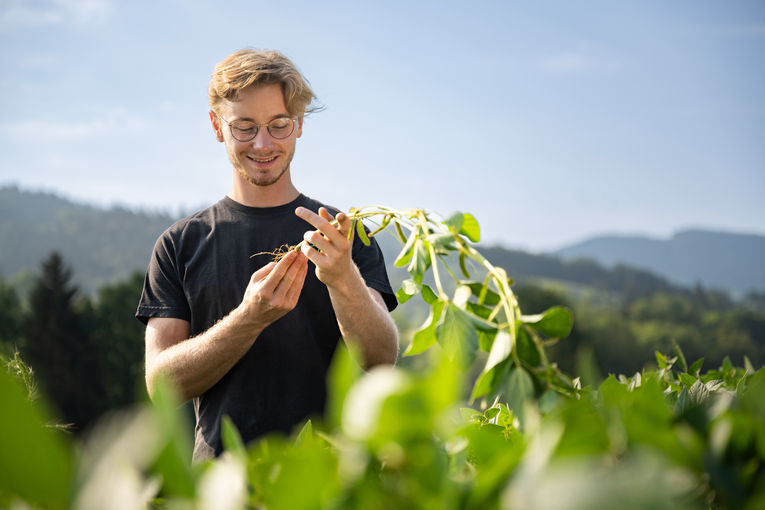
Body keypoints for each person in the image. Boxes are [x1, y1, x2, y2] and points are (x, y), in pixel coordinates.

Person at [136, 49, 399, 462]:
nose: (263, 143)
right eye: (244, 127)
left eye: (279, 125)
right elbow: (162, 387)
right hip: (222, 488)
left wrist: (343, 277)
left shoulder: (342, 237)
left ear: (298, 126)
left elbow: (381, 360)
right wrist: (249, 317)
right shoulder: (179, 244)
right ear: (216, 126)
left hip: (333, 482)